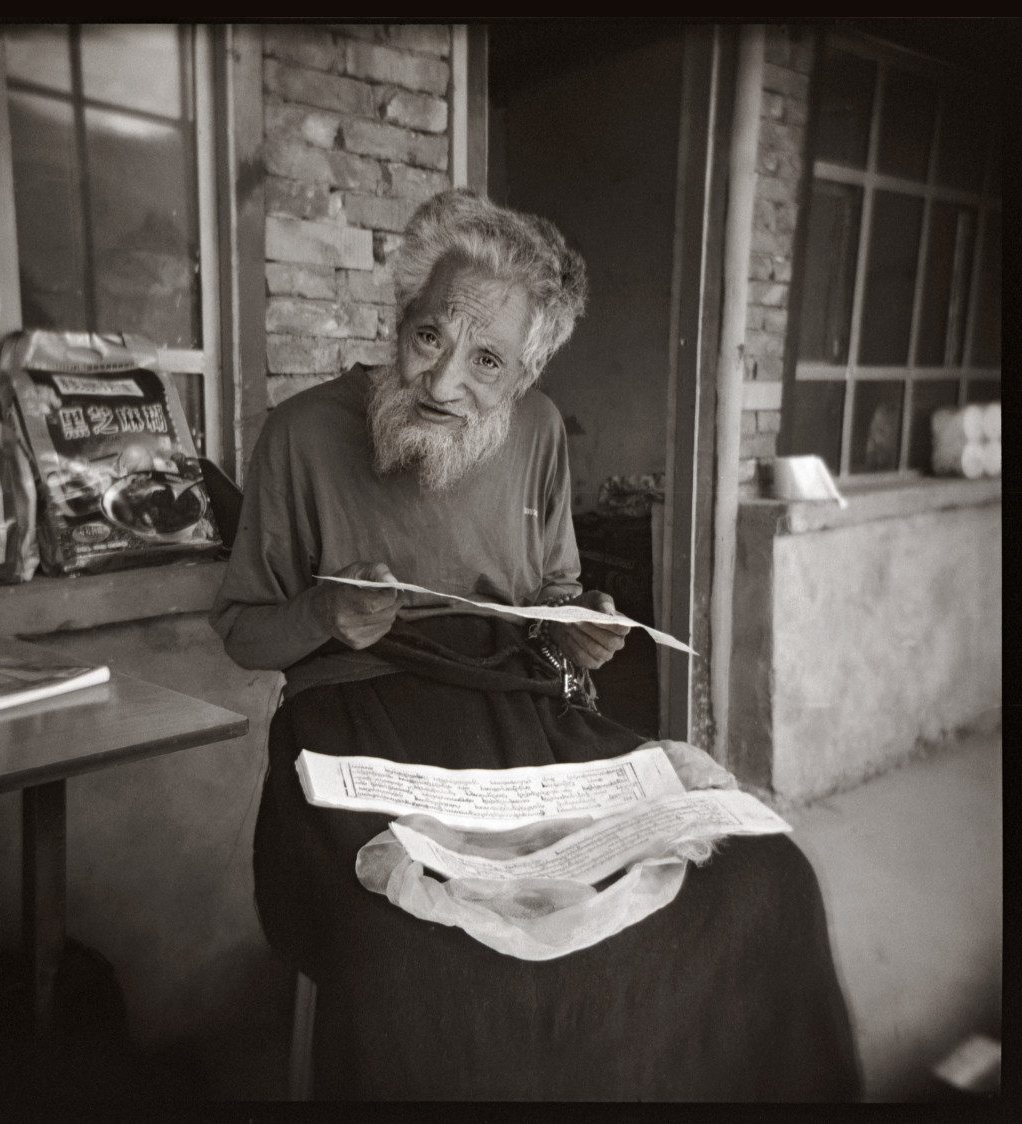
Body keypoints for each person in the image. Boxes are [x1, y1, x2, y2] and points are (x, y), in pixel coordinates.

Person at [211, 189, 860, 1101]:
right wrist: (322, 614)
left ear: (521, 378)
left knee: (761, 878)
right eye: (430, 336)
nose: (442, 384)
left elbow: (551, 597)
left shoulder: (541, 431)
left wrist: (582, 631)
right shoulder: (301, 435)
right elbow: (244, 628)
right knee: (410, 949)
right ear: (402, 317)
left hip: (524, 708)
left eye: (485, 361)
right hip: (356, 719)